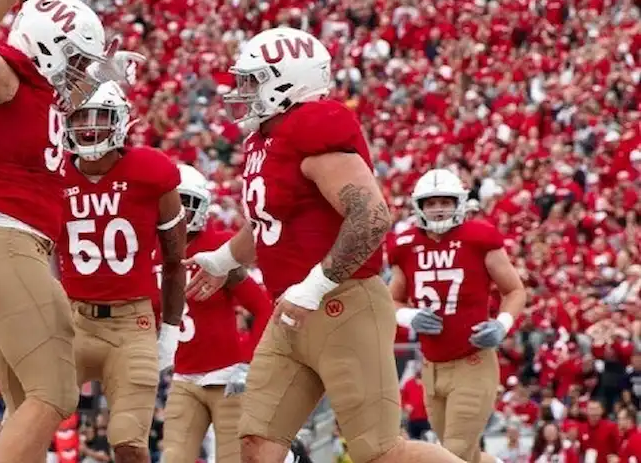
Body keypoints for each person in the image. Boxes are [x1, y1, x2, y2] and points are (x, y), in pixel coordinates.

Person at [184, 27, 465, 463]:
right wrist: (222, 259)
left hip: (341, 303)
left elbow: (371, 216)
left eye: (253, 80)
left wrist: (314, 286)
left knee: (380, 452)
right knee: (256, 444)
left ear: (287, 81)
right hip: (292, 311)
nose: (243, 92)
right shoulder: (265, 140)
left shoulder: (314, 124)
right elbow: (269, 223)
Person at [0, 0, 140, 463]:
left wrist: (106, 71)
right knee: (54, 394)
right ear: (50, 45)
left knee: (22, 409)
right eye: (77, 58)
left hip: (2, 249)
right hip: (8, 246)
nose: (80, 70)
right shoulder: (2, 80)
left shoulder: (31, 89)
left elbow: (59, 96)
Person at [56, 81, 186, 463]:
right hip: (73, 319)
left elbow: (174, 259)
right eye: (80, 117)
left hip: (132, 324)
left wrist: (171, 330)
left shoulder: (151, 170)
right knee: (27, 415)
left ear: (120, 121)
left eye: (100, 117)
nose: (89, 127)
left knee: (128, 441)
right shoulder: (51, 174)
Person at [388, 168, 526, 463]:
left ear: (459, 203)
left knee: (452, 454)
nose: (438, 209)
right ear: (419, 206)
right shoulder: (404, 246)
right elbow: (392, 301)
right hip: (431, 367)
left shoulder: (479, 237)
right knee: (467, 457)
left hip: (472, 362)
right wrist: (409, 317)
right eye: (431, 203)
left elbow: (514, 290)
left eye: (445, 202)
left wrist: (501, 325)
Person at [160, 163, 273, 463]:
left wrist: (249, 363)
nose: (180, 211)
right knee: (172, 458)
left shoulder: (218, 245)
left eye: (187, 202)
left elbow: (262, 306)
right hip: (183, 378)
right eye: (174, 202)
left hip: (226, 377)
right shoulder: (149, 249)